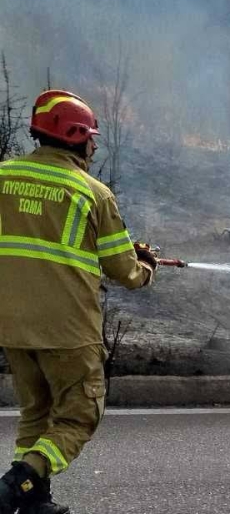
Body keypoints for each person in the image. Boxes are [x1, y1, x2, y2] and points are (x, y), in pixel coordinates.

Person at [0, 90, 157, 514]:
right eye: (90, 136)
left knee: (38, 413)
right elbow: (125, 271)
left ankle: (35, 502)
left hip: (12, 324)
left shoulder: (2, 177)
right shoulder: (92, 192)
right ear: (73, 136)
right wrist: (147, 266)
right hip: (67, 328)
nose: (93, 144)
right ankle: (15, 487)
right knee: (79, 415)